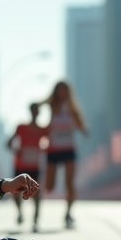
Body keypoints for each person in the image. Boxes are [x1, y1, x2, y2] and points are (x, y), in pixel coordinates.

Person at [43, 80, 88, 230]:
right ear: (56, 92)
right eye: (59, 90)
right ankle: (39, 202)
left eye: (64, 90)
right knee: (49, 186)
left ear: (68, 92)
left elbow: (82, 126)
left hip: (69, 149)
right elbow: (40, 104)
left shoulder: (73, 109)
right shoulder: (52, 106)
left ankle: (68, 213)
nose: (62, 93)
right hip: (53, 149)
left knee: (70, 182)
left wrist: (83, 129)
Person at [6, 102, 47, 232]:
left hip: (34, 166)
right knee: (15, 191)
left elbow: (49, 142)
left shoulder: (42, 129)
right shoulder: (21, 127)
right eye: (33, 110)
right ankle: (19, 212)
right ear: (30, 111)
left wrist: (43, 149)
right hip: (20, 165)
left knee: (37, 191)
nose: (35, 113)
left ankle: (35, 219)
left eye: (37, 110)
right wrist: (16, 150)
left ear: (39, 113)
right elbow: (8, 143)